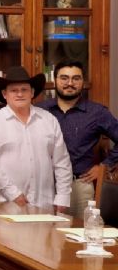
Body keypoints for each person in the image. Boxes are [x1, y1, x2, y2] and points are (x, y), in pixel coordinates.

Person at [0, 66, 72, 211]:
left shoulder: (49, 120)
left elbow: (62, 161)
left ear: (32, 92)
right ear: (5, 94)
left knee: (45, 234)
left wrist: (63, 197)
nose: (19, 94)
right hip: (7, 204)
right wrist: (13, 193)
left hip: (45, 203)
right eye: (14, 90)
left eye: (24, 89)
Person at [37, 59, 118, 216]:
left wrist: (103, 166)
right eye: (64, 78)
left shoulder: (97, 112)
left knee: (80, 234)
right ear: (55, 80)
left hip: (79, 185)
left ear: (82, 82)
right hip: (43, 185)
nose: (70, 83)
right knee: (42, 235)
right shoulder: (40, 111)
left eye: (76, 78)